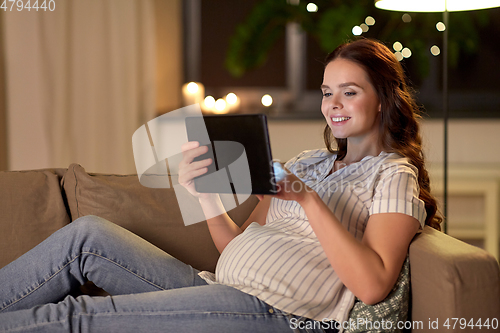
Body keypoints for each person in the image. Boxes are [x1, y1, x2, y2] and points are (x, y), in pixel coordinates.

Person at [0, 38, 441, 332]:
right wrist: (206, 198)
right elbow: (235, 247)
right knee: (87, 236)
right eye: (327, 92)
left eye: (350, 92)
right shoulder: (308, 161)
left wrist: (308, 201)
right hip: (218, 289)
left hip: (274, 315)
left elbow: (373, 285)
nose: (333, 105)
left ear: (383, 99)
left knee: (76, 316)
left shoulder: (391, 174)